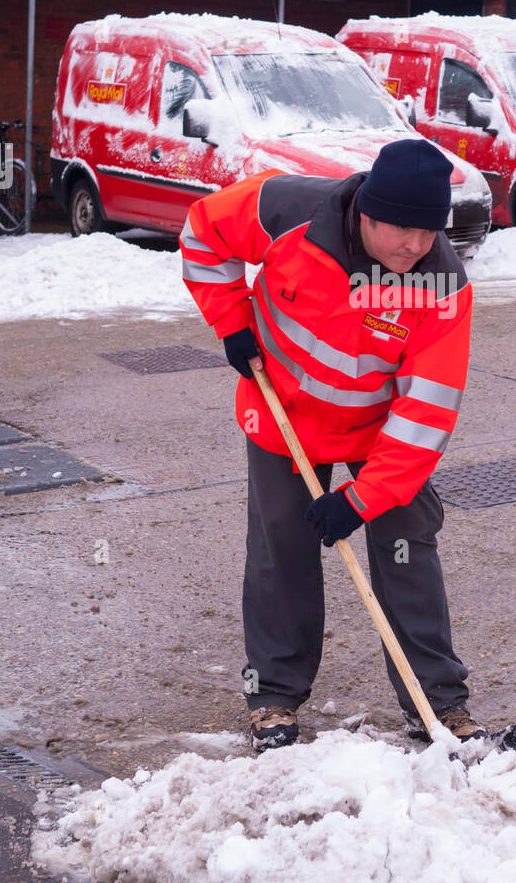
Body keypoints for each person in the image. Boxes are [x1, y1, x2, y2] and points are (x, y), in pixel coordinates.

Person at [179, 136, 485, 752]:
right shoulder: (284, 209)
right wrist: (232, 322)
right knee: (281, 547)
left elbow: (424, 416)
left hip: (378, 429)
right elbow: (202, 235)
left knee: (405, 546)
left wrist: (362, 498)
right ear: (367, 212)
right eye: (403, 231)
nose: (416, 248)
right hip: (283, 407)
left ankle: (438, 702)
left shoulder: (440, 285)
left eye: (430, 234)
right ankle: (273, 697)